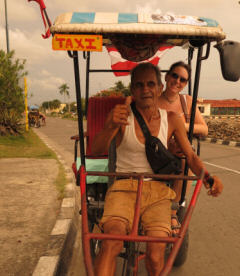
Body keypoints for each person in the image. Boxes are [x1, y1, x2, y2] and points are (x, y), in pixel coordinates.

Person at [91, 62, 223, 276]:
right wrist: (110, 126)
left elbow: (189, 155)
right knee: (110, 244)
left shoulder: (172, 119)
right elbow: (96, 149)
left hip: (158, 194)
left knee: (155, 254)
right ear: (133, 90)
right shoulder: (120, 116)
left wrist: (208, 178)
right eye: (139, 85)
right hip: (123, 188)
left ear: (159, 88)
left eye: (151, 84)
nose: (145, 90)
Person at [157, 61, 209, 234]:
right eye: (175, 76)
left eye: (183, 80)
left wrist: (180, 126)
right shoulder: (153, 99)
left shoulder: (186, 102)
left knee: (184, 159)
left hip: (178, 154)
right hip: (155, 150)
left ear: (186, 84)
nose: (177, 81)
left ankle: (173, 210)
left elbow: (203, 128)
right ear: (167, 76)